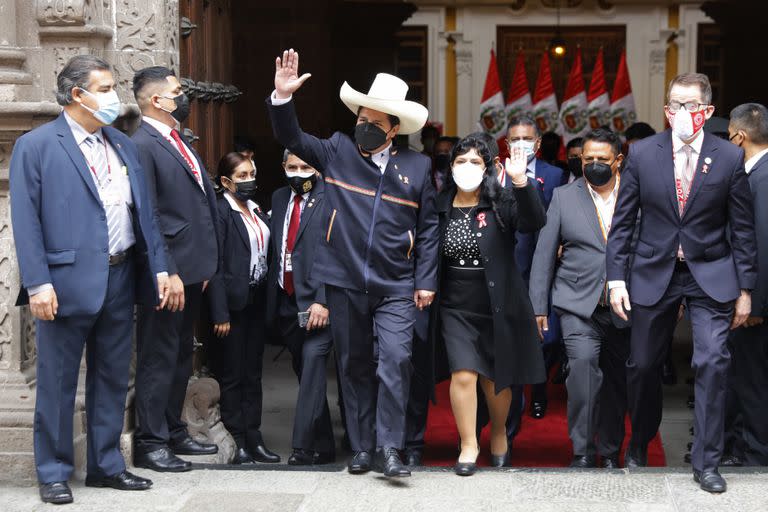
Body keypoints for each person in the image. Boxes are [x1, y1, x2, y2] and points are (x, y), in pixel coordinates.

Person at [266, 49, 439, 478]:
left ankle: (390, 449)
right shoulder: (338, 150)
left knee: (396, 360)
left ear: (394, 130)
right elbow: (294, 139)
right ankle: (363, 449)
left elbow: (430, 227)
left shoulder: (417, 167)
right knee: (354, 365)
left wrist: (426, 279)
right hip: (343, 281)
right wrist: (282, 98)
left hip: (396, 283)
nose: (363, 127)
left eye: (375, 123)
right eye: (361, 118)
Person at [10, 55, 166, 504]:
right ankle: (53, 471)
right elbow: (26, 220)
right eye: (105, 87)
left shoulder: (121, 143)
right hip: (62, 284)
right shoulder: (37, 146)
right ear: (77, 94)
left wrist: (157, 267)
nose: (113, 96)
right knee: (57, 381)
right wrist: (38, 284)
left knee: (113, 376)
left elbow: (143, 211)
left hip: (120, 274)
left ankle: (106, 465)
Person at [607, 73, 757, 492]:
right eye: (675, 105)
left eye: (691, 106)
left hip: (710, 272)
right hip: (654, 270)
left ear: (707, 111)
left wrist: (746, 290)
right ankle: (639, 443)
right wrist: (616, 278)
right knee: (641, 365)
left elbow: (741, 228)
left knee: (711, 361)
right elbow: (623, 224)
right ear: (666, 110)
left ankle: (707, 462)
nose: (681, 113)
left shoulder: (728, 157)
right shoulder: (640, 154)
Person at [431, 136, 545, 476]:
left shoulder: (503, 202)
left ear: (489, 168)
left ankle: (498, 433)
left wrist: (521, 181)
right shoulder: (439, 205)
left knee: (495, 380)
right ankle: (468, 443)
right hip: (455, 304)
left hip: (498, 304)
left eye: (475, 162)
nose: (468, 168)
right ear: (451, 168)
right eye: (461, 161)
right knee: (463, 374)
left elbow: (533, 221)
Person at [131, 66, 220, 472]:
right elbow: (147, 213)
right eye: (178, 91)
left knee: (181, 353)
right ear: (156, 100)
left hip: (193, 269)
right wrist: (167, 269)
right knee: (159, 355)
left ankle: (172, 428)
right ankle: (151, 443)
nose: (184, 97)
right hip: (170, 275)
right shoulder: (143, 143)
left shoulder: (176, 139)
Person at [529, 128, 630, 469]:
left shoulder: (636, 195)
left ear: (618, 161)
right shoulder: (563, 196)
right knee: (583, 371)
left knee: (617, 382)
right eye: (589, 159)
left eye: (603, 159)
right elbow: (544, 252)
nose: (595, 164)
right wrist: (538, 306)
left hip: (625, 305)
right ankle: (584, 450)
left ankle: (612, 451)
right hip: (576, 303)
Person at [207, 152, 279, 464]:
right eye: (242, 176)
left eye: (251, 173)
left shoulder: (255, 208)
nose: (249, 180)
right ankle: (237, 437)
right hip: (233, 304)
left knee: (253, 372)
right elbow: (216, 264)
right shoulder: (222, 211)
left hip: (257, 299)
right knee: (233, 373)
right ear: (226, 181)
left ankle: (255, 434)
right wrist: (219, 312)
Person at [265, 149, 335, 465]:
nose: (298, 172)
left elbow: (335, 251)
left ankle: (302, 447)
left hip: (319, 302)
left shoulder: (331, 197)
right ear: (282, 167)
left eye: (305, 166)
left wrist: (322, 298)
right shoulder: (280, 198)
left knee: (313, 365)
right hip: (286, 300)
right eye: (292, 166)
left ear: (317, 169)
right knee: (304, 370)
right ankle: (324, 445)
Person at [506, 117, 565, 422]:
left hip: (544, 267)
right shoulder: (496, 175)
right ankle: (514, 401)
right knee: (512, 340)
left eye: (526, 139)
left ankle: (539, 393)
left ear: (538, 144)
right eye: (514, 139)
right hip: (509, 267)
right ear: (506, 143)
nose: (520, 144)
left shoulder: (555, 175)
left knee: (548, 338)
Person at [724, 103, 768, 466]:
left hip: (758, 305)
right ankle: (743, 447)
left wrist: (755, 302)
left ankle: (756, 457)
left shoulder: (762, 177)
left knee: (754, 382)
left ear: (739, 138)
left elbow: (763, 243)